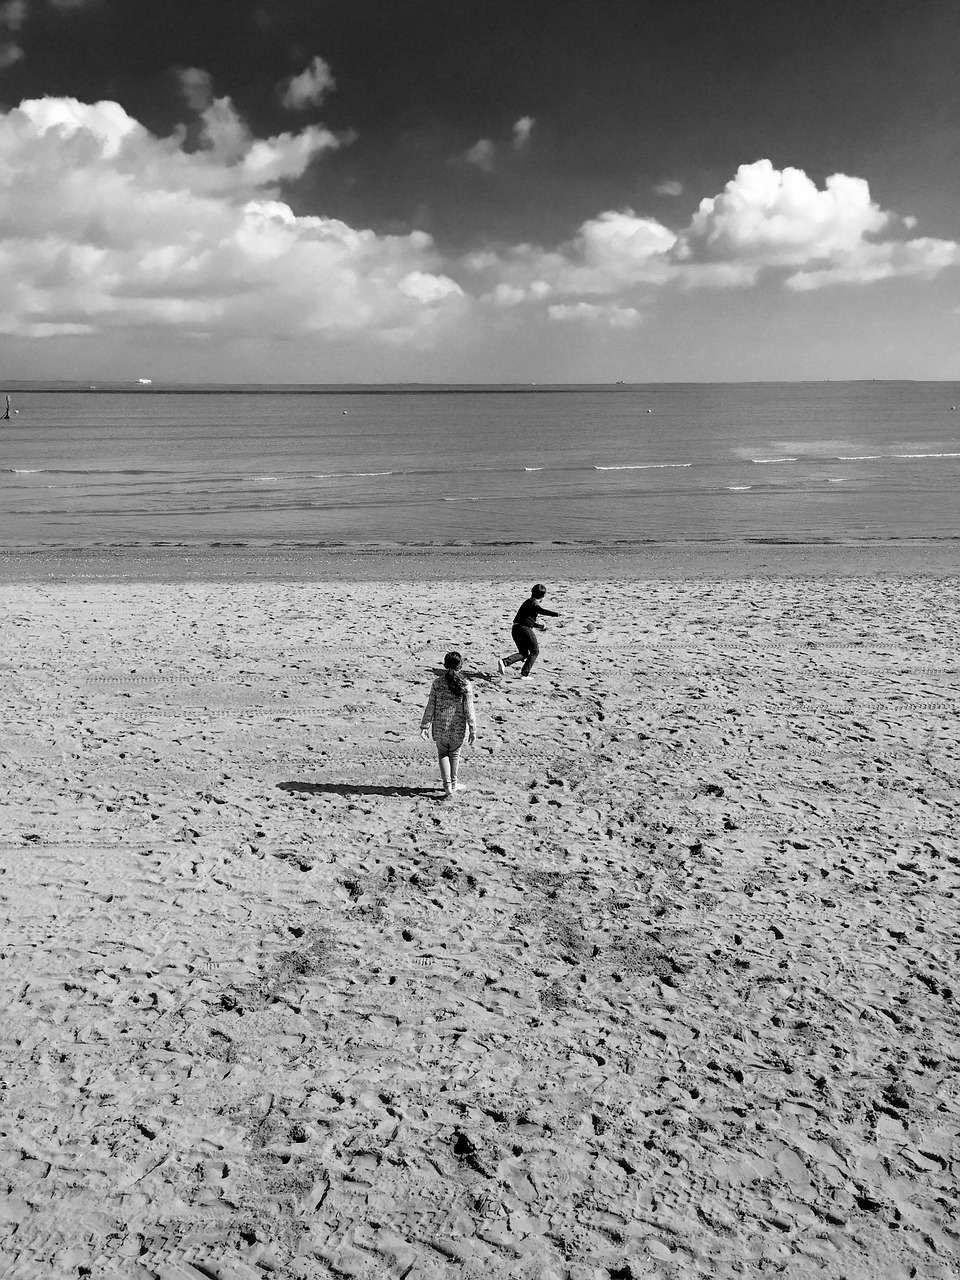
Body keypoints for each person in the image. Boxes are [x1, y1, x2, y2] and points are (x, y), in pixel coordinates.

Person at [420, 651, 477, 798]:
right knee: (454, 755)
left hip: (440, 727)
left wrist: (425, 725)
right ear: (461, 666)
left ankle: (447, 785)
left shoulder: (437, 683)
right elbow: (469, 709)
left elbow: (430, 705)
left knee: (442, 754)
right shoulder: (465, 684)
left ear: (445, 665)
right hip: (457, 728)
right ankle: (453, 783)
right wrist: (472, 728)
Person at [497, 583, 559, 679]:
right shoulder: (534, 603)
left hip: (516, 629)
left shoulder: (528, 602)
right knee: (535, 651)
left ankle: (504, 662)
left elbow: (526, 620)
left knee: (524, 653)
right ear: (543, 596)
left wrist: (538, 626)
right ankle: (524, 674)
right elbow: (541, 610)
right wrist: (556, 614)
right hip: (523, 629)